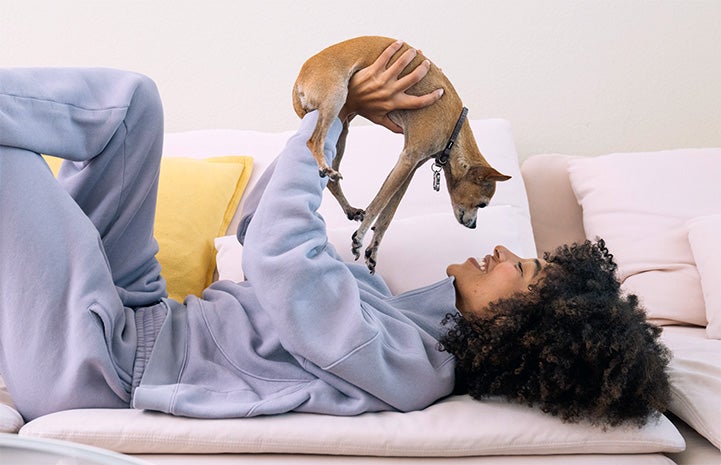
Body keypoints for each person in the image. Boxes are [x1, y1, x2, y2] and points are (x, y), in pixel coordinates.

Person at [0, 42, 670, 427]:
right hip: (135, 311)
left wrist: (333, 117)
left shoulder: (406, 363)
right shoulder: (396, 317)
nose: (500, 251)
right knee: (131, 103)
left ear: (519, 324)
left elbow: (276, 259)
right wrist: (334, 113)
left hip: (97, 363)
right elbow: (260, 228)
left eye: (518, 270)